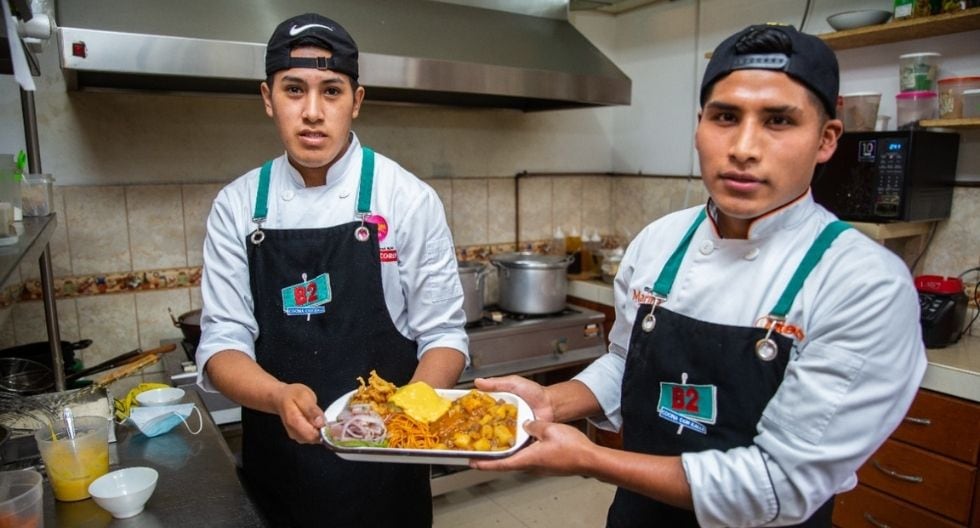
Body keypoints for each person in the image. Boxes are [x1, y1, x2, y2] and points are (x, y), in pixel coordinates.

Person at [473, 23, 926, 527]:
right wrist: (550, 402)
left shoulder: (864, 284)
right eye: (726, 117)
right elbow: (627, 366)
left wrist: (591, 459)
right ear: (698, 126)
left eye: (778, 121)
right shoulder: (660, 242)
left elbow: (778, 485)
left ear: (826, 140)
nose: (743, 148)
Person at [195, 13, 468, 527]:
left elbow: (444, 335)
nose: (313, 112)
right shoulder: (237, 207)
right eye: (294, 89)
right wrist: (277, 395)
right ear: (267, 98)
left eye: (333, 91)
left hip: (387, 465)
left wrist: (400, 416)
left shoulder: (407, 200)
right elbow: (223, 343)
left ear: (356, 102)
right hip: (279, 467)